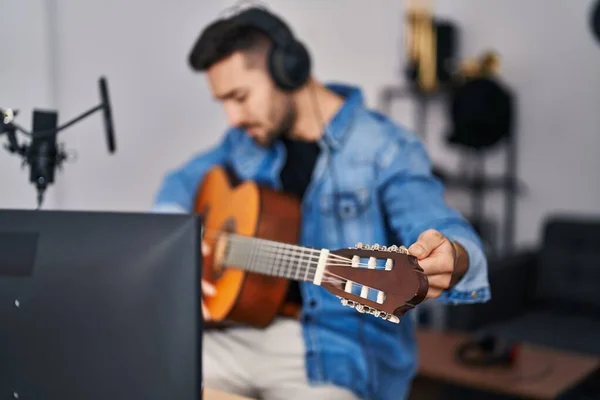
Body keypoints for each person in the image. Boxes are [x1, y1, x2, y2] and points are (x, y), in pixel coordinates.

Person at [151, 4, 490, 400]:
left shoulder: (387, 149)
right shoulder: (242, 143)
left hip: (337, 353)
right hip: (240, 333)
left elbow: (439, 225)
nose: (232, 117)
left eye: (239, 96)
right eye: (222, 101)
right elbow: (178, 185)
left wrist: (453, 254)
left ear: (287, 68)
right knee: (140, 367)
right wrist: (190, 242)